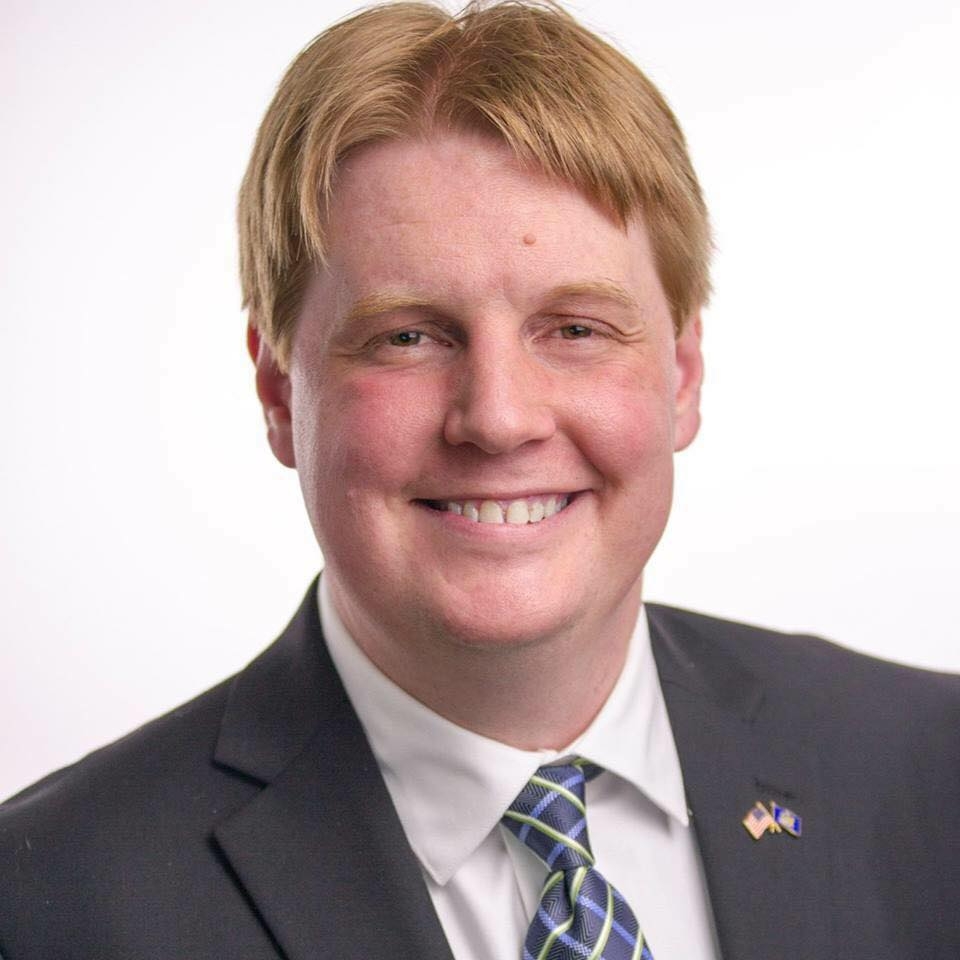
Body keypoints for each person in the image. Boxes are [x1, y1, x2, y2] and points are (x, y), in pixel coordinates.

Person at [1, 2, 957, 957]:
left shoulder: (932, 774)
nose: (499, 418)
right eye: (407, 337)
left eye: (576, 329)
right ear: (279, 392)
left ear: (682, 375)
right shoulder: (47, 905)